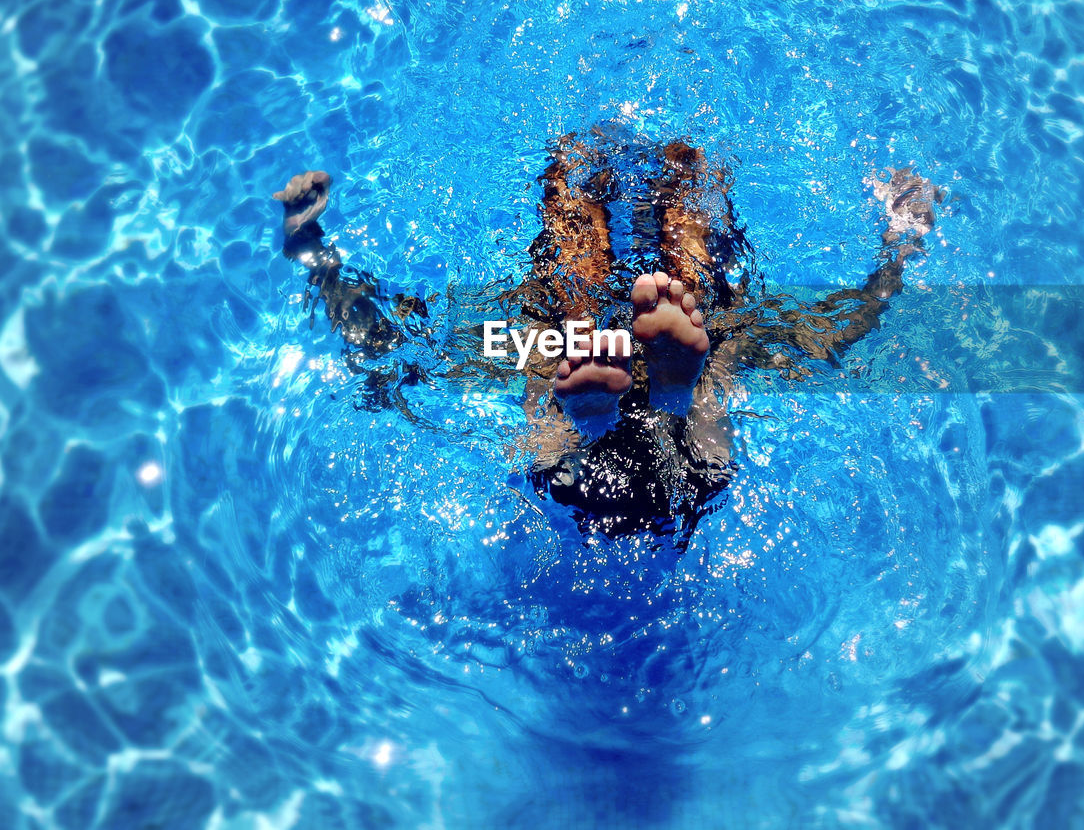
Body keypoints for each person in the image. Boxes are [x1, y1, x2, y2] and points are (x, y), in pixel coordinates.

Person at [273, 128, 942, 548]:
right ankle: (678, 400)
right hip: (693, 478)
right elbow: (833, 331)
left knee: (553, 324)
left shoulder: (533, 313)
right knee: (712, 320)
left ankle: (585, 417)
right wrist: (900, 249)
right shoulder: (716, 310)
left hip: (569, 477)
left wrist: (312, 249)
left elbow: (389, 339)